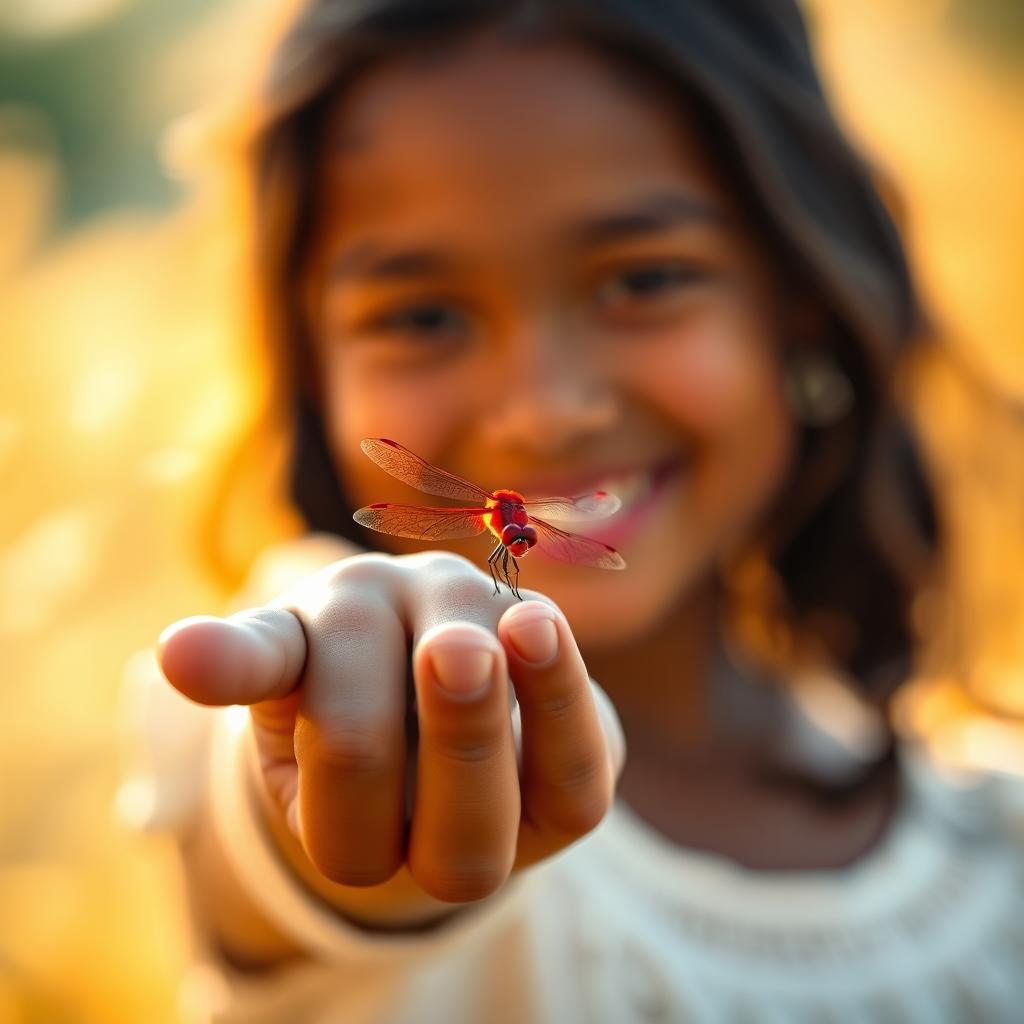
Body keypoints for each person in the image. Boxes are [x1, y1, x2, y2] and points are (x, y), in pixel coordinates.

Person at [128, 0, 1024, 1020]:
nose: (544, 413)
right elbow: (287, 804)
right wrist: (363, 783)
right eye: (422, 316)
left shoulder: (1001, 840)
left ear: (801, 295)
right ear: (308, 366)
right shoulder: (319, 682)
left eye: (642, 280)